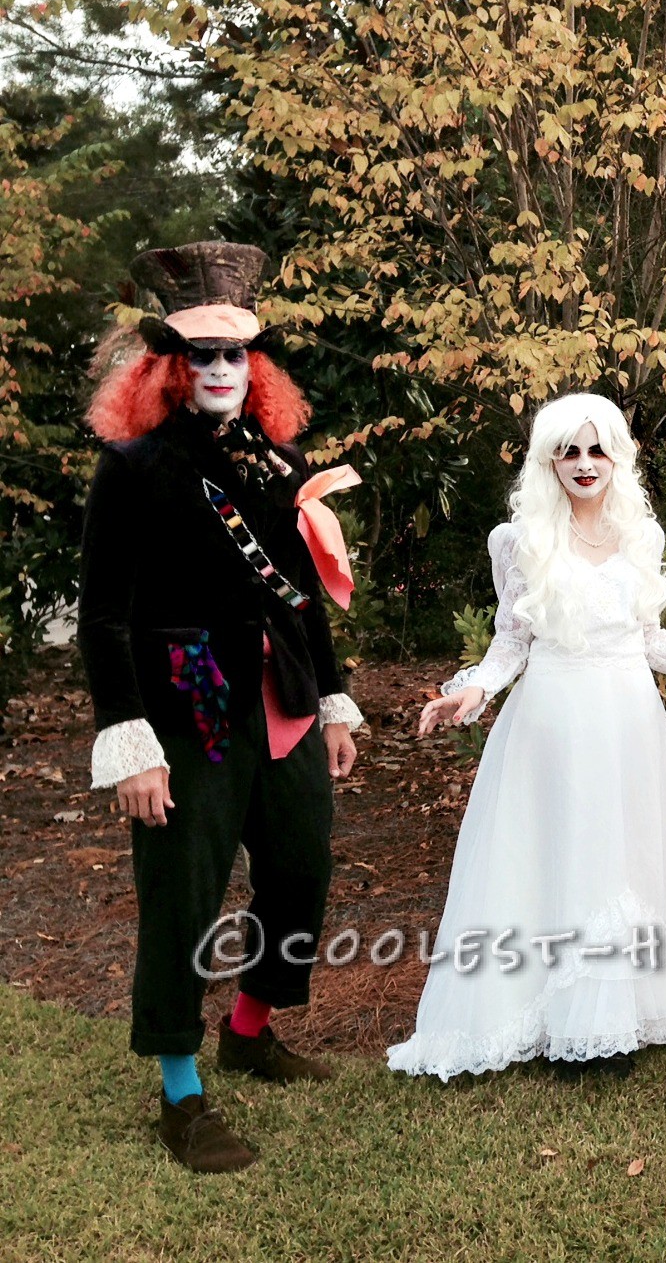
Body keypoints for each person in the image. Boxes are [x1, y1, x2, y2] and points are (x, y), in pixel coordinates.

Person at [77, 241, 365, 1172]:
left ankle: (249, 1028)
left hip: (279, 695)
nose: (217, 370)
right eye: (199, 356)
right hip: (183, 707)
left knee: (299, 868)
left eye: (234, 355)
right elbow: (103, 615)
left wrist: (333, 701)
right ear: (168, 367)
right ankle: (181, 1090)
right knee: (183, 895)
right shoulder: (133, 467)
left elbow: (299, 591)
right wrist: (131, 741)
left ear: (255, 367)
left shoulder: (280, 462)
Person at [386, 393, 666, 1081]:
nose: (584, 464)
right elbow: (509, 645)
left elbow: (647, 639)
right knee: (558, 858)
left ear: (618, 455)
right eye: (569, 450)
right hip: (551, 721)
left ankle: (614, 1018)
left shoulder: (643, 537)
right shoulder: (519, 540)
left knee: (623, 859)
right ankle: (556, 1019)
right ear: (548, 460)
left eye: (596, 448)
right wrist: (471, 690)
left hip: (629, 721)